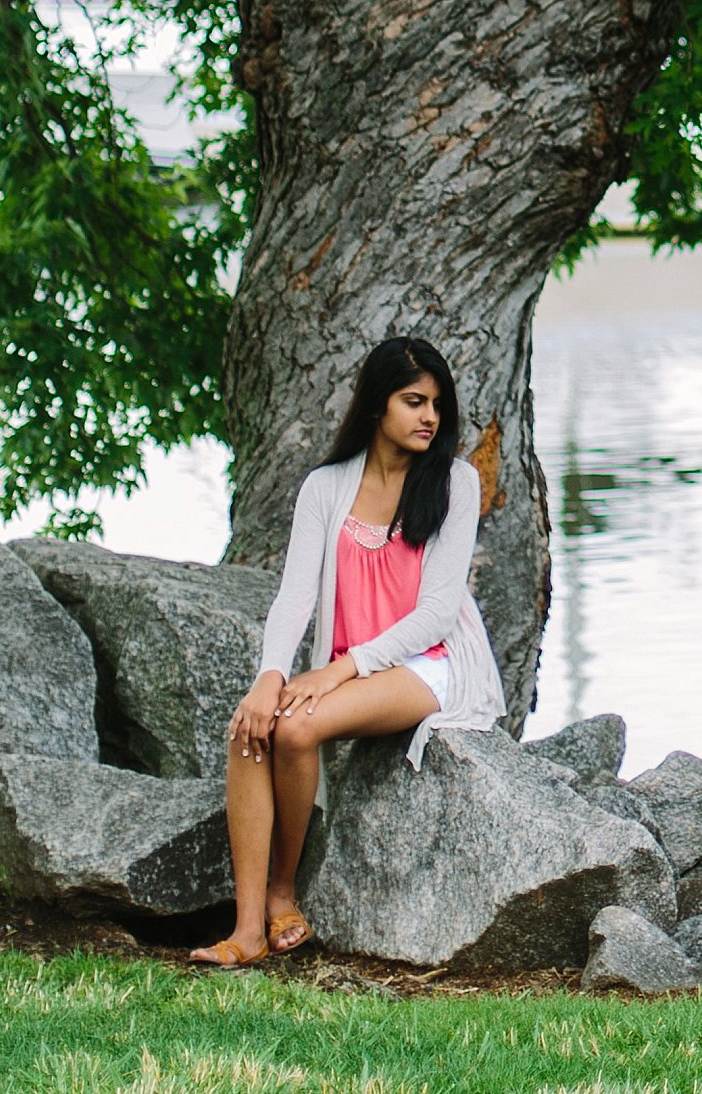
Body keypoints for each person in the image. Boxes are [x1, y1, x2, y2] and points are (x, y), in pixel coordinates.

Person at [187, 334, 507, 968]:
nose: (429, 418)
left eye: (437, 404)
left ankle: (285, 890)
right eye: (413, 401)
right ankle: (248, 928)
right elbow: (293, 598)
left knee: (298, 727)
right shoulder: (326, 488)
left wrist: (338, 670)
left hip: (433, 664)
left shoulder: (455, 483)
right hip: (352, 669)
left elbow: (438, 613)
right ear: (375, 406)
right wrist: (268, 676)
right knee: (252, 726)